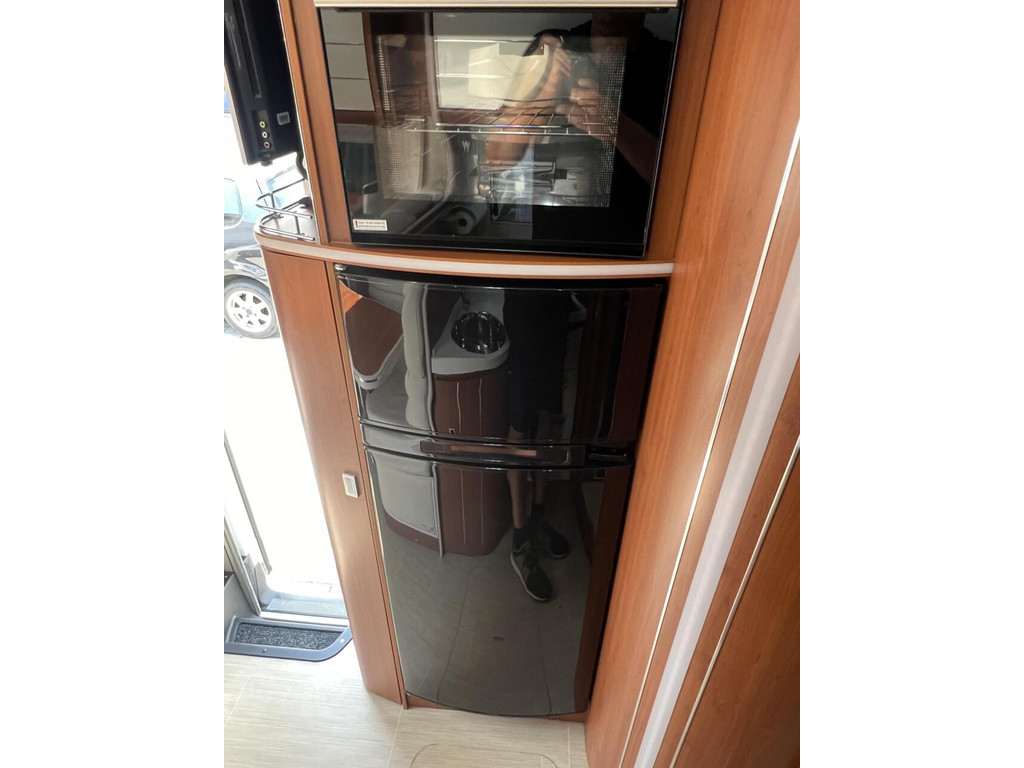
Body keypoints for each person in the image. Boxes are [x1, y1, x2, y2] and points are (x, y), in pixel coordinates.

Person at [504, 291, 572, 602]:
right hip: (525, 304)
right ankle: (520, 541)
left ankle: (538, 517)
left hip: (556, 300)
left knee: (547, 416)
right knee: (520, 426)